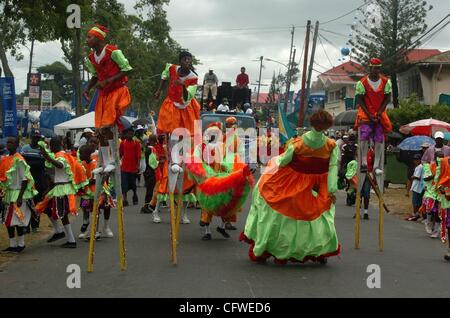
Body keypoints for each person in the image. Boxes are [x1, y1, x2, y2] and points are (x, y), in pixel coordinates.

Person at [240, 110, 340, 264]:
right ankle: (317, 250)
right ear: (327, 126)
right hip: (318, 185)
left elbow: (282, 162)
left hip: (292, 182)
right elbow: (333, 169)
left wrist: (269, 171)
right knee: (318, 219)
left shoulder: (297, 144)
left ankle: (277, 249)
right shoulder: (331, 146)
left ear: (312, 123)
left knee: (281, 218)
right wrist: (331, 190)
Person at [186, 122, 254, 240]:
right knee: (207, 206)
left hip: (222, 180)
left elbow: (230, 160)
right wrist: (201, 172)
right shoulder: (201, 146)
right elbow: (195, 161)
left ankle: (222, 226)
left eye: (215, 133)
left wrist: (228, 168)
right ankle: (207, 232)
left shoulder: (223, 146)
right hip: (207, 180)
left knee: (226, 203)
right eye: (211, 133)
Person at [83, 24, 133, 175]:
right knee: (99, 130)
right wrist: (87, 88)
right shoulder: (91, 57)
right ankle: (104, 162)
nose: (87, 41)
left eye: (89, 37)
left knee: (108, 126)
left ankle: (112, 161)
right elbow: (95, 76)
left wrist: (108, 81)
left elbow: (127, 69)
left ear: (98, 39)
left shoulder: (113, 51)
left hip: (117, 91)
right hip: (104, 95)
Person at [36, 137, 88, 248]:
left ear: (55, 145)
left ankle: (71, 241)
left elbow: (60, 165)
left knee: (63, 214)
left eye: (51, 146)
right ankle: (59, 232)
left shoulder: (60, 155)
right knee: (46, 208)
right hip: (58, 187)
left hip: (63, 188)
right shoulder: (63, 154)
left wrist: (46, 156)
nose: (50, 148)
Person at [354, 58, 392, 175]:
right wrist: (369, 115)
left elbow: (387, 98)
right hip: (366, 113)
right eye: (375, 68)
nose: (377, 70)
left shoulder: (386, 82)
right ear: (370, 68)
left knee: (379, 138)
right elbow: (360, 100)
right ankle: (364, 162)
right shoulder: (362, 82)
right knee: (364, 135)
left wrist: (379, 112)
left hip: (379, 113)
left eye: (379, 68)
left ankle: (376, 166)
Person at [0, 137, 37, 253]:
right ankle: (12, 244)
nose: (8, 144)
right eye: (8, 142)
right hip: (9, 193)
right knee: (8, 220)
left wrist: (20, 196)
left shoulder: (19, 160)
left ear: (17, 145)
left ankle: (21, 244)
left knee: (18, 220)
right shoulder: (5, 159)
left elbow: (25, 179)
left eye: (11, 142)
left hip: (18, 193)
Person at [154, 51, 200, 136]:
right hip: (171, 102)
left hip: (185, 106)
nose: (187, 61)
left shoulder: (193, 78)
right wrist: (159, 91)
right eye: (185, 59)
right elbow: (164, 76)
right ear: (180, 61)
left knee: (182, 132)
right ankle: (167, 145)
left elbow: (187, 98)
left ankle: (182, 146)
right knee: (166, 127)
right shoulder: (172, 68)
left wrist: (183, 85)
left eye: (189, 60)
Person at [21, 130, 48, 233]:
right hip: (27, 180)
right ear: (31, 138)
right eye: (34, 137)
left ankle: (35, 225)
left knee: (37, 203)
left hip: (39, 180)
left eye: (38, 138)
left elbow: (45, 165)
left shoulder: (42, 150)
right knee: (27, 203)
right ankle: (25, 226)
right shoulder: (25, 149)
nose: (36, 139)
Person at [119, 128, 141, 206]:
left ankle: (135, 195)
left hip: (133, 168)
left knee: (133, 185)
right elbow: (120, 154)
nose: (130, 135)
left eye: (131, 134)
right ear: (126, 135)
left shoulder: (136, 143)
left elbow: (138, 156)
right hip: (124, 167)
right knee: (124, 185)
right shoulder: (122, 143)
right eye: (128, 134)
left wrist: (138, 166)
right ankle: (125, 199)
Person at [141, 135, 159, 214]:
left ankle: (149, 205)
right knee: (151, 189)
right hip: (151, 172)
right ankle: (147, 206)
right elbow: (152, 162)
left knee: (150, 189)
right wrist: (158, 163)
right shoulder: (152, 149)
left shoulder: (147, 148)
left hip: (146, 171)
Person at [407, 154, 424, 221]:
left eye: (417, 159)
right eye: (414, 160)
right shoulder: (418, 167)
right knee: (417, 201)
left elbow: (418, 177)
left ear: (419, 160)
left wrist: (413, 177)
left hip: (417, 187)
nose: (415, 161)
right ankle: (417, 213)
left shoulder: (420, 167)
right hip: (417, 186)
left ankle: (415, 213)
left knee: (415, 202)